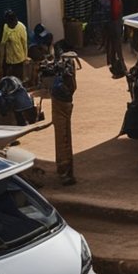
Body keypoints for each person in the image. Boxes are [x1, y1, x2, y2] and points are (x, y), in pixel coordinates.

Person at [50, 51, 79, 186]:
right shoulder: (68, 73)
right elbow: (72, 87)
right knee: (64, 139)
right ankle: (65, 173)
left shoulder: (60, 74)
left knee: (62, 137)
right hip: (64, 104)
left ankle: (64, 171)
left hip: (60, 103)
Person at [0, 9, 27, 81]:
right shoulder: (6, 27)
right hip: (9, 60)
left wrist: (25, 57)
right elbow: (2, 44)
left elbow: (24, 44)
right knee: (8, 80)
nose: (9, 25)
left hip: (19, 59)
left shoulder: (21, 27)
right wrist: (0, 61)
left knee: (18, 80)